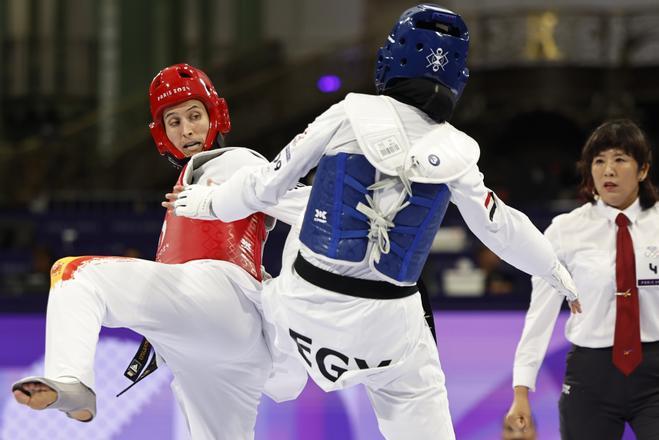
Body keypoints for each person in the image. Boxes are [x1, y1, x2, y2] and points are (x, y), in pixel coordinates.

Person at [170, 5, 582, 439]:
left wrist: (204, 202)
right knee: (421, 389)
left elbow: (265, 187)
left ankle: (269, 367)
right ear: (457, 77)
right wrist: (555, 270)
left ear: (391, 58)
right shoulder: (458, 152)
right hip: (389, 331)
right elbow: (501, 228)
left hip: (305, 310)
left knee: (283, 263)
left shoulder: (347, 115)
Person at [11, 63, 308, 440]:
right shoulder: (186, 186)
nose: (186, 130)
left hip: (225, 299)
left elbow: (310, 208)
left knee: (76, 274)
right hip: (217, 350)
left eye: (195, 116)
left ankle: (72, 381)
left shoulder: (237, 161)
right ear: (162, 134)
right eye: (174, 122)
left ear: (216, 115)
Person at [504, 119, 659, 439]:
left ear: (643, 170)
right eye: (598, 161)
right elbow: (540, 314)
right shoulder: (565, 230)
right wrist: (521, 389)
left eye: (620, 159)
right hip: (591, 376)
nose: (608, 171)